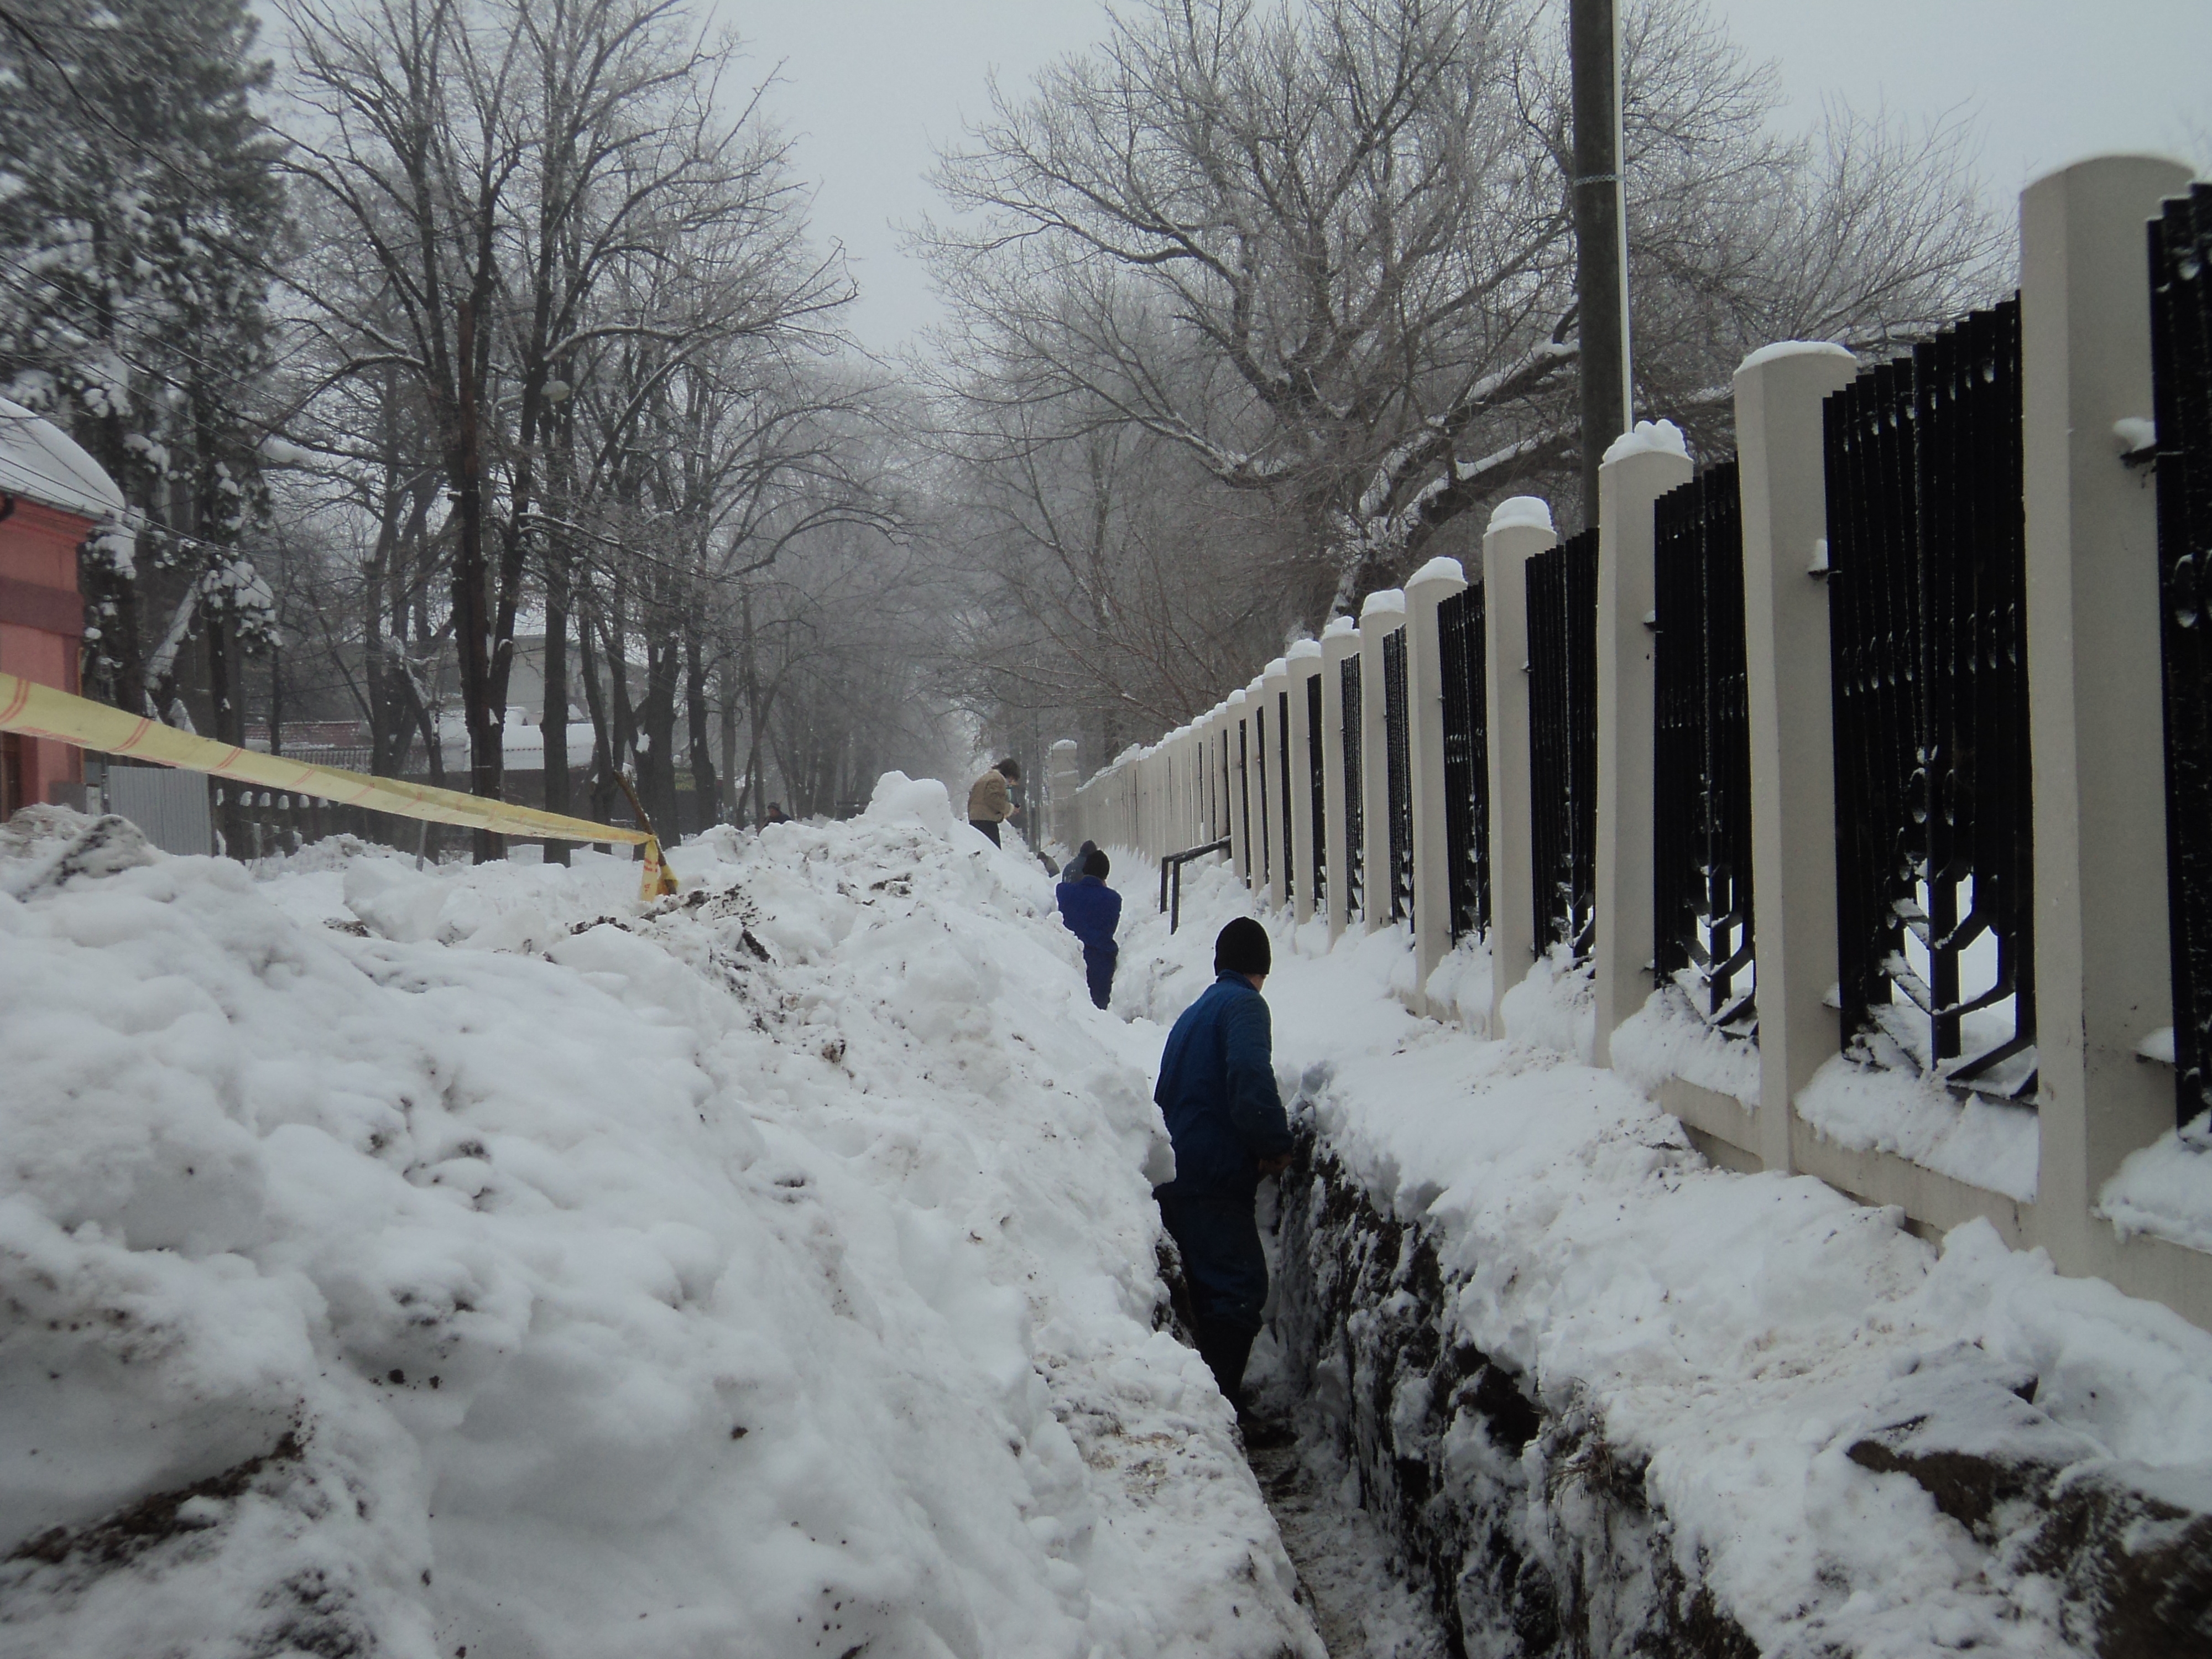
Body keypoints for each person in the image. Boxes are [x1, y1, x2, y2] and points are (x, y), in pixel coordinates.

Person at [1152, 917, 1292, 1430]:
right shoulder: (1245, 1005)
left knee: (1210, 1295)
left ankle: (1214, 1408)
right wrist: (1275, 1145)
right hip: (1210, 1176)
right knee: (1238, 1288)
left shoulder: (1196, 1011)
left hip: (1179, 1172)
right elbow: (1250, 1077)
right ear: (1260, 969)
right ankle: (1220, 1417)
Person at [1056, 847, 1121, 1010]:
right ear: (1105, 874)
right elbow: (1110, 928)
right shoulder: (1113, 899)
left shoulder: (1063, 891)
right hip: (1101, 964)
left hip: (1070, 960)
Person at [967, 758, 1020, 846]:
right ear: (1010, 773)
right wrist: (1009, 808)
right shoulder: (997, 779)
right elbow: (993, 798)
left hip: (975, 818)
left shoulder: (985, 778)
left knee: (979, 849)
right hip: (986, 821)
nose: (1011, 781)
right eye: (1013, 778)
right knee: (994, 853)